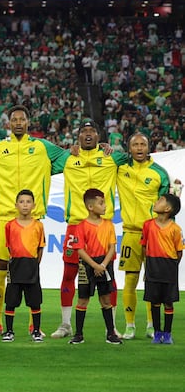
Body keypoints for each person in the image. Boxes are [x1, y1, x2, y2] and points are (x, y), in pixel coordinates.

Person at [0, 105, 68, 337]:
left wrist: (48, 171)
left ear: (28, 123)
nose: (17, 123)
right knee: (1, 268)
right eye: (13, 119)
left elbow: (68, 157)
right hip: (4, 217)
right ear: (8, 123)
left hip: (31, 219)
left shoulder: (42, 147)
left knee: (31, 269)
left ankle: (34, 325)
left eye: (21, 119)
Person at [52, 120, 126, 339]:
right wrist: (67, 151)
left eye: (92, 131)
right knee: (69, 274)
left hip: (103, 226)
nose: (87, 134)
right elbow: (42, 163)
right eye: (83, 131)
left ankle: (110, 327)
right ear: (77, 137)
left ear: (98, 135)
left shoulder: (111, 157)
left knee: (108, 277)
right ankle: (65, 325)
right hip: (76, 225)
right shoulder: (68, 158)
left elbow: (137, 158)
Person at [117, 132, 170, 340]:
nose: (139, 148)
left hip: (153, 234)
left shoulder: (159, 173)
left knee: (152, 280)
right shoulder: (120, 168)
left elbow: (168, 204)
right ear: (129, 148)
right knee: (130, 279)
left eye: (143, 144)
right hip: (130, 232)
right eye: (135, 144)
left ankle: (151, 324)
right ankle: (130, 326)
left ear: (149, 147)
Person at [69, 189, 123, 345]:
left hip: (105, 265)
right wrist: (94, 265)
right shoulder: (81, 226)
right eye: (101, 203)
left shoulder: (109, 225)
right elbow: (79, 249)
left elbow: (112, 247)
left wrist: (103, 265)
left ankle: (111, 333)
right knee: (82, 300)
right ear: (90, 207)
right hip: (87, 265)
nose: (105, 206)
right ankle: (78, 334)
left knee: (106, 299)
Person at [2, 190, 45, 343]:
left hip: (31, 266)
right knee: (11, 300)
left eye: (28, 202)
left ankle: (36, 331)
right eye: (21, 202)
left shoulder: (38, 226)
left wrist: (34, 263)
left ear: (33, 205)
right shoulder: (10, 226)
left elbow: (40, 247)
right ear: (16, 205)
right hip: (15, 266)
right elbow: (9, 246)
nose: (25, 205)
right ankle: (9, 331)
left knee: (34, 301)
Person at [141, 194, 182, 344]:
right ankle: (157, 333)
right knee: (154, 301)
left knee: (168, 302)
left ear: (167, 208)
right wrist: (148, 268)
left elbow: (179, 252)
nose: (156, 202)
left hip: (169, 268)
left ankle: (168, 333)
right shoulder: (147, 225)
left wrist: (171, 268)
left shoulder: (176, 229)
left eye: (160, 201)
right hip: (152, 267)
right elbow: (144, 247)